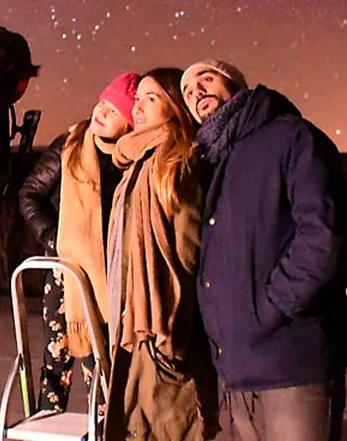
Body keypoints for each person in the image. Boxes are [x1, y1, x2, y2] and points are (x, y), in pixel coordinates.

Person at [180, 60, 347, 441]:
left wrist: (271, 306)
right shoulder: (212, 161)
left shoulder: (292, 138)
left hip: (291, 358)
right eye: (188, 91)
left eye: (206, 79)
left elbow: (325, 232)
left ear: (235, 83)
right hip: (234, 366)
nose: (197, 92)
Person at [102, 67, 218, 440]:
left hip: (163, 326)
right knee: (137, 423)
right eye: (137, 99)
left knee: (170, 426)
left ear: (174, 108)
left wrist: (174, 328)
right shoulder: (136, 162)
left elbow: (189, 252)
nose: (137, 107)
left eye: (151, 99)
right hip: (134, 322)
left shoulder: (176, 162)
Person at [18, 72, 140, 413]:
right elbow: (29, 196)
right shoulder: (70, 145)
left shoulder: (135, 161)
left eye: (114, 110)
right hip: (65, 274)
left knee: (103, 366)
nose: (101, 112)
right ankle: (45, 423)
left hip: (111, 279)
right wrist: (53, 239)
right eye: (103, 103)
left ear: (130, 124)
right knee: (57, 361)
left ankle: (102, 431)